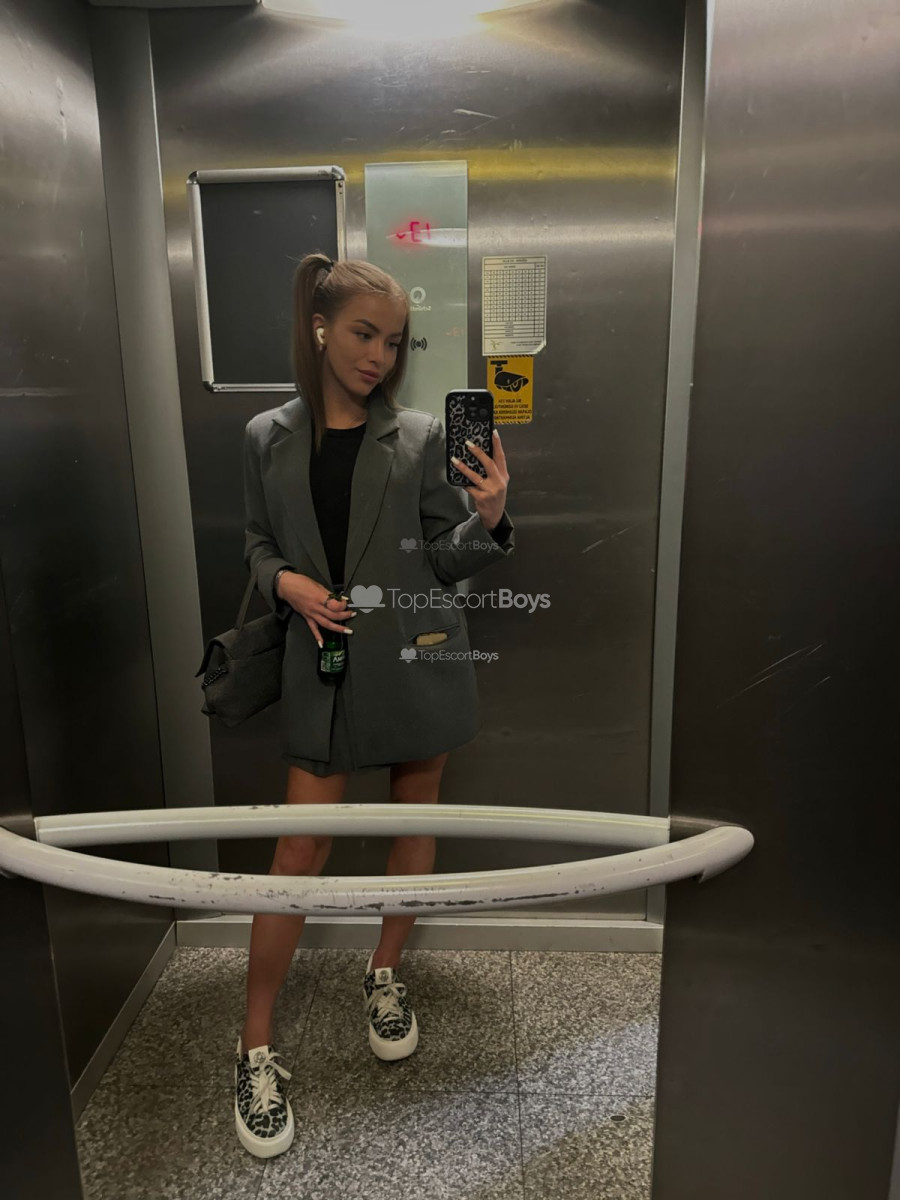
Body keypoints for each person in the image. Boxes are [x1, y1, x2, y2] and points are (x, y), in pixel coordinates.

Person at [234, 252, 516, 1157]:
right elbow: (255, 542)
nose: (378, 357)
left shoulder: (424, 436)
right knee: (298, 850)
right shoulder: (266, 436)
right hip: (320, 666)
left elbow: (442, 558)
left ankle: (385, 973)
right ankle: (254, 1045)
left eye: (393, 342)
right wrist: (286, 583)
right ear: (320, 328)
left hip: (415, 656)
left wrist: (490, 518)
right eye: (364, 334)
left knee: (412, 817)